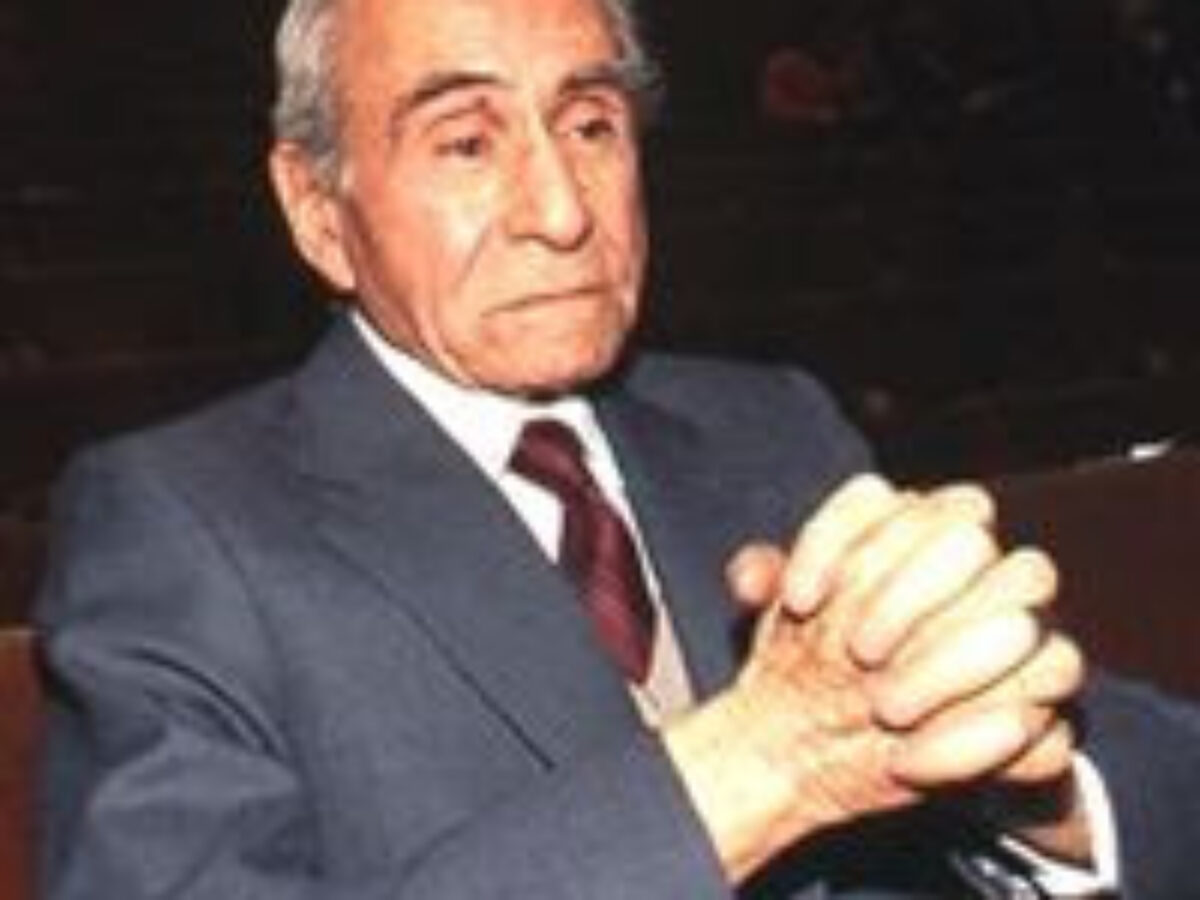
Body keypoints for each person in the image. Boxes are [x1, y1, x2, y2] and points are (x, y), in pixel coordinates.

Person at [35, 0, 1200, 896]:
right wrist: (762, 764)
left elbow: (1166, 780)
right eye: (465, 143)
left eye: (591, 123)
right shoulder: (181, 522)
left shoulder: (771, 427)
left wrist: (1035, 790)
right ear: (318, 212)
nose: (562, 210)